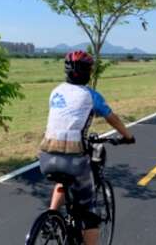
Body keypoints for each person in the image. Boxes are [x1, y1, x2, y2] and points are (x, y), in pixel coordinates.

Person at [39, 50, 135, 245]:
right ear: (88, 72)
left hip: (46, 157)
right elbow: (112, 118)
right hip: (73, 159)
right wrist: (128, 136)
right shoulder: (91, 95)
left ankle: (52, 219)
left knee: (62, 181)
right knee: (90, 213)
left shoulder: (55, 91)